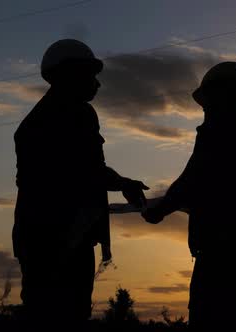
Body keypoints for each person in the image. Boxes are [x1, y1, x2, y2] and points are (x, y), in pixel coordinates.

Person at [12, 39, 148, 327]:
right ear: (68, 74)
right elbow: (84, 171)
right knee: (56, 314)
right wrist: (122, 183)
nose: (96, 84)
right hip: (53, 241)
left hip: (60, 238)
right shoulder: (60, 119)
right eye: (90, 75)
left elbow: (88, 170)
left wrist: (121, 182)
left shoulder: (68, 114)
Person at [142, 61, 236, 332]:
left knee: (211, 318)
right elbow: (217, 187)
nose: (205, 107)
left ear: (225, 93)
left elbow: (193, 179)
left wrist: (158, 210)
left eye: (207, 100)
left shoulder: (223, 130)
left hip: (224, 252)